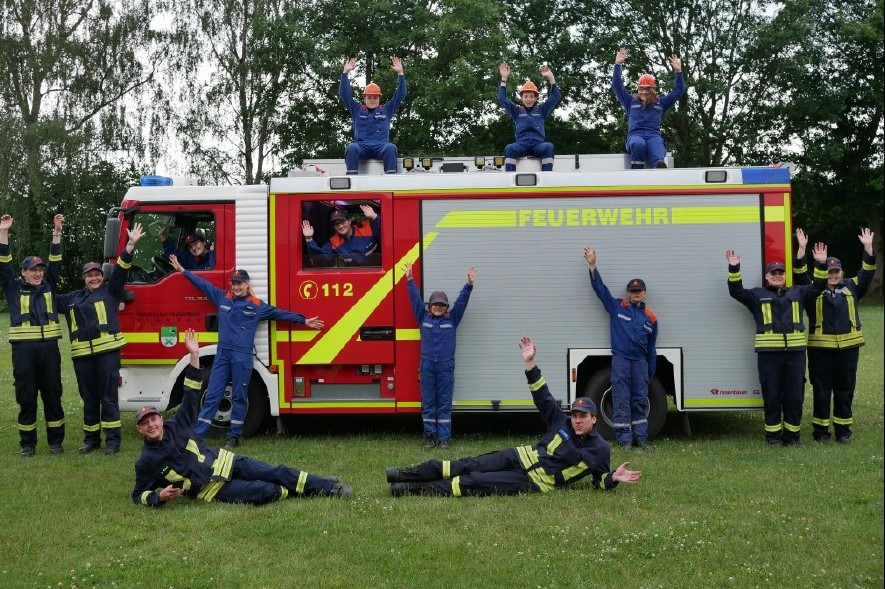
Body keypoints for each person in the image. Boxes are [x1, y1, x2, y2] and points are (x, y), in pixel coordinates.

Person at [385, 336, 641, 497]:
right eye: (575, 414)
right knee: (466, 465)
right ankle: (404, 474)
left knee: (471, 482)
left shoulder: (600, 449)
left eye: (583, 416)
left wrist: (613, 480)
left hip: (532, 481)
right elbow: (543, 397)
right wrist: (530, 364)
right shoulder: (560, 421)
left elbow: (598, 482)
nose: (577, 420)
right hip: (519, 455)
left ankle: (409, 490)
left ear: (594, 419)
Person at [133, 329, 351, 507]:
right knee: (264, 490)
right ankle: (312, 488)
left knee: (276, 472)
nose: (151, 425)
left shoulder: (177, 424)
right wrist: (158, 497)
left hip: (226, 462)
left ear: (161, 419)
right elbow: (139, 494)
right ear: (140, 430)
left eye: (153, 419)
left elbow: (191, 393)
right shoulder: (146, 462)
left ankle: (328, 486)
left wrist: (194, 356)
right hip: (212, 488)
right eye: (145, 423)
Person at [169, 256, 324, 449]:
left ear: (247, 284)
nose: (236, 287)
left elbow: (280, 313)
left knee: (239, 396)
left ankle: (233, 437)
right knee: (212, 395)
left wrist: (304, 320)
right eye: (233, 284)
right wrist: (183, 270)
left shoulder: (257, 305)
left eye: (239, 284)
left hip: (242, 357)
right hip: (223, 356)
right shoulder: (222, 297)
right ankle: (199, 435)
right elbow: (202, 284)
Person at [726, 242, 828, 446]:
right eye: (773, 273)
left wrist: (821, 264)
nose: (778, 275)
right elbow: (736, 291)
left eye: (781, 272)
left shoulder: (799, 292)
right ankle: (773, 437)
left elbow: (819, 286)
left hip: (796, 355)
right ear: (767, 277)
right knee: (772, 395)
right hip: (769, 355)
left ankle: (792, 437)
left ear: (785, 276)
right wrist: (734, 267)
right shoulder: (756, 295)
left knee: (794, 397)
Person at [57, 223, 144, 455]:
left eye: (97, 274)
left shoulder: (111, 291)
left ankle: (113, 442)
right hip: (82, 357)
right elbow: (48, 293)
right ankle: (91, 440)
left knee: (109, 398)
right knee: (89, 399)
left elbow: (122, 269)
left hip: (107, 355)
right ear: (84, 278)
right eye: (90, 275)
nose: (94, 278)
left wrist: (130, 245)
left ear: (101, 276)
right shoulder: (71, 298)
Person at [793, 228, 876, 443]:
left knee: (845, 391)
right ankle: (821, 433)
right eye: (830, 272)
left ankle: (843, 431)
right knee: (821, 391)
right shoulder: (812, 289)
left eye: (836, 271)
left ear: (841, 272)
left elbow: (867, 272)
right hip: (820, 350)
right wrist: (801, 249)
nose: (833, 275)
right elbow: (800, 274)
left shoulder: (852, 286)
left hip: (848, 350)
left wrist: (868, 248)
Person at [0, 213, 66, 457]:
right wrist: (3, 232)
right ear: (23, 273)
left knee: (53, 395)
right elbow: (3, 264)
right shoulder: (12, 288)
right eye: (33, 270)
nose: (38, 274)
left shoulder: (49, 284)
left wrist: (56, 232)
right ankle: (28, 444)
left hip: (49, 350)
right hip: (24, 352)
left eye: (40, 270)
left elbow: (56, 260)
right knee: (26, 397)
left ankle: (56, 442)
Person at [583, 247, 658, 451]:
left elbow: (652, 349)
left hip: (640, 363)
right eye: (633, 291)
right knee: (621, 399)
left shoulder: (650, 318)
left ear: (644, 293)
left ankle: (641, 439)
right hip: (622, 360)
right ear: (628, 293)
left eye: (639, 291)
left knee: (640, 400)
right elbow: (601, 290)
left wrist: (650, 372)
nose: (636, 294)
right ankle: (625, 440)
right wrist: (592, 266)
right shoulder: (617, 307)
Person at [404, 262, 476, 449]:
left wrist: (468, 285)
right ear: (429, 306)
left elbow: (461, 302)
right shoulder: (423, 317)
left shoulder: (452, 318)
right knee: (428, 402)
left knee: (444, 402)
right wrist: (410, 280)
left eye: (441, 305)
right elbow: (414, 299)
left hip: (445, 367)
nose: (438, 307)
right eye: (435, 304)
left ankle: (444, 439)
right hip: (427, 366)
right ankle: (430, 437)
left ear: (446, 308)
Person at [611, 48, 684, 169]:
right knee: (638, 145)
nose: (643, 92)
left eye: (647, 89)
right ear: (638, 89)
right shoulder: (630, 101)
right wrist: (617, 65)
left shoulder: (660, 102)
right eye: (641, 89)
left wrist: (678, 72)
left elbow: (678, 91)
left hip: (653, 136)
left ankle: (658, 173)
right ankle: (637, 176)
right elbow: (617, 86)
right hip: (635, 136)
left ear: (652, 89)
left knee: (657, 151)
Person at [339, 56, 407, 175]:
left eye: (375, 97)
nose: (372, 100)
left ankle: (390, 178)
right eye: (369, 97)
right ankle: (352, 178)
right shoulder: (357, 109)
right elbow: (344, 94)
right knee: (351, 148)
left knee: (391, 147)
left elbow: (401, 94)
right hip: (361, 147)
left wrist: (400, 74)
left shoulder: (386, 109)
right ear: (364, 98)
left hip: (381, 147)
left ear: (379, 98)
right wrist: (345, 73)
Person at [498, 62, 562, 171]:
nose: (528, 99)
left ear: (536, 98)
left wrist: (551, 77)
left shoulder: (542, 109)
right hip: (521, 144)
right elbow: (502, 99)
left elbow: (556, 96)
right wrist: (504, 78)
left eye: (531, 96)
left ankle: (546, 176)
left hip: (538, 144)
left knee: (549, 146)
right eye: (526, 96)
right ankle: (510, 177)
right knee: (509, 148)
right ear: (521, 98)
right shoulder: (517, 111)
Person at [302, 204, 381, 266]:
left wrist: (374, 217)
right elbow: (320, 260)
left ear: (349, 221)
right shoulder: (334, 242)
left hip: (381, 274)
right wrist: (309, 239)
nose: (340, 226)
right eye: (336, 224)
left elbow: (388, 234)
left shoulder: (367, 227)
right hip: (354, 276)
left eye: (342, 222)